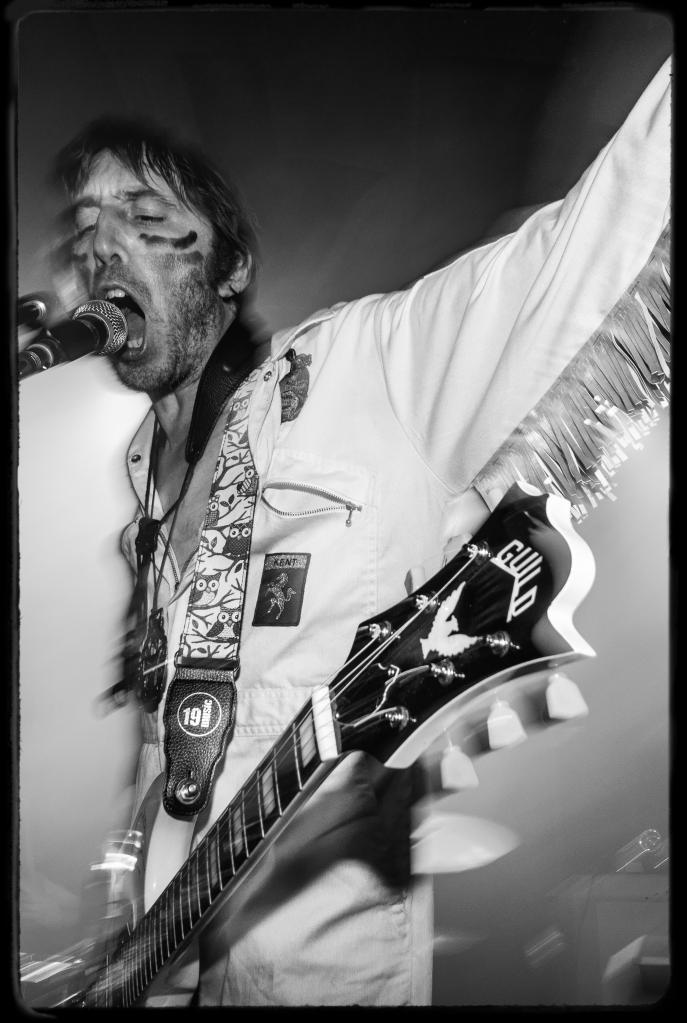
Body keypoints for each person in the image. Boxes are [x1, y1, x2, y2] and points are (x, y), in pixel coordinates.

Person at [49, 55, 670, 1007]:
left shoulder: (362, 368)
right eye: (86, 225)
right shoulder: (143, 491)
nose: (101, 247)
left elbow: (581, 247)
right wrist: (131, 950)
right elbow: (175, 768)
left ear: (230, 267)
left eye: (143, 216)